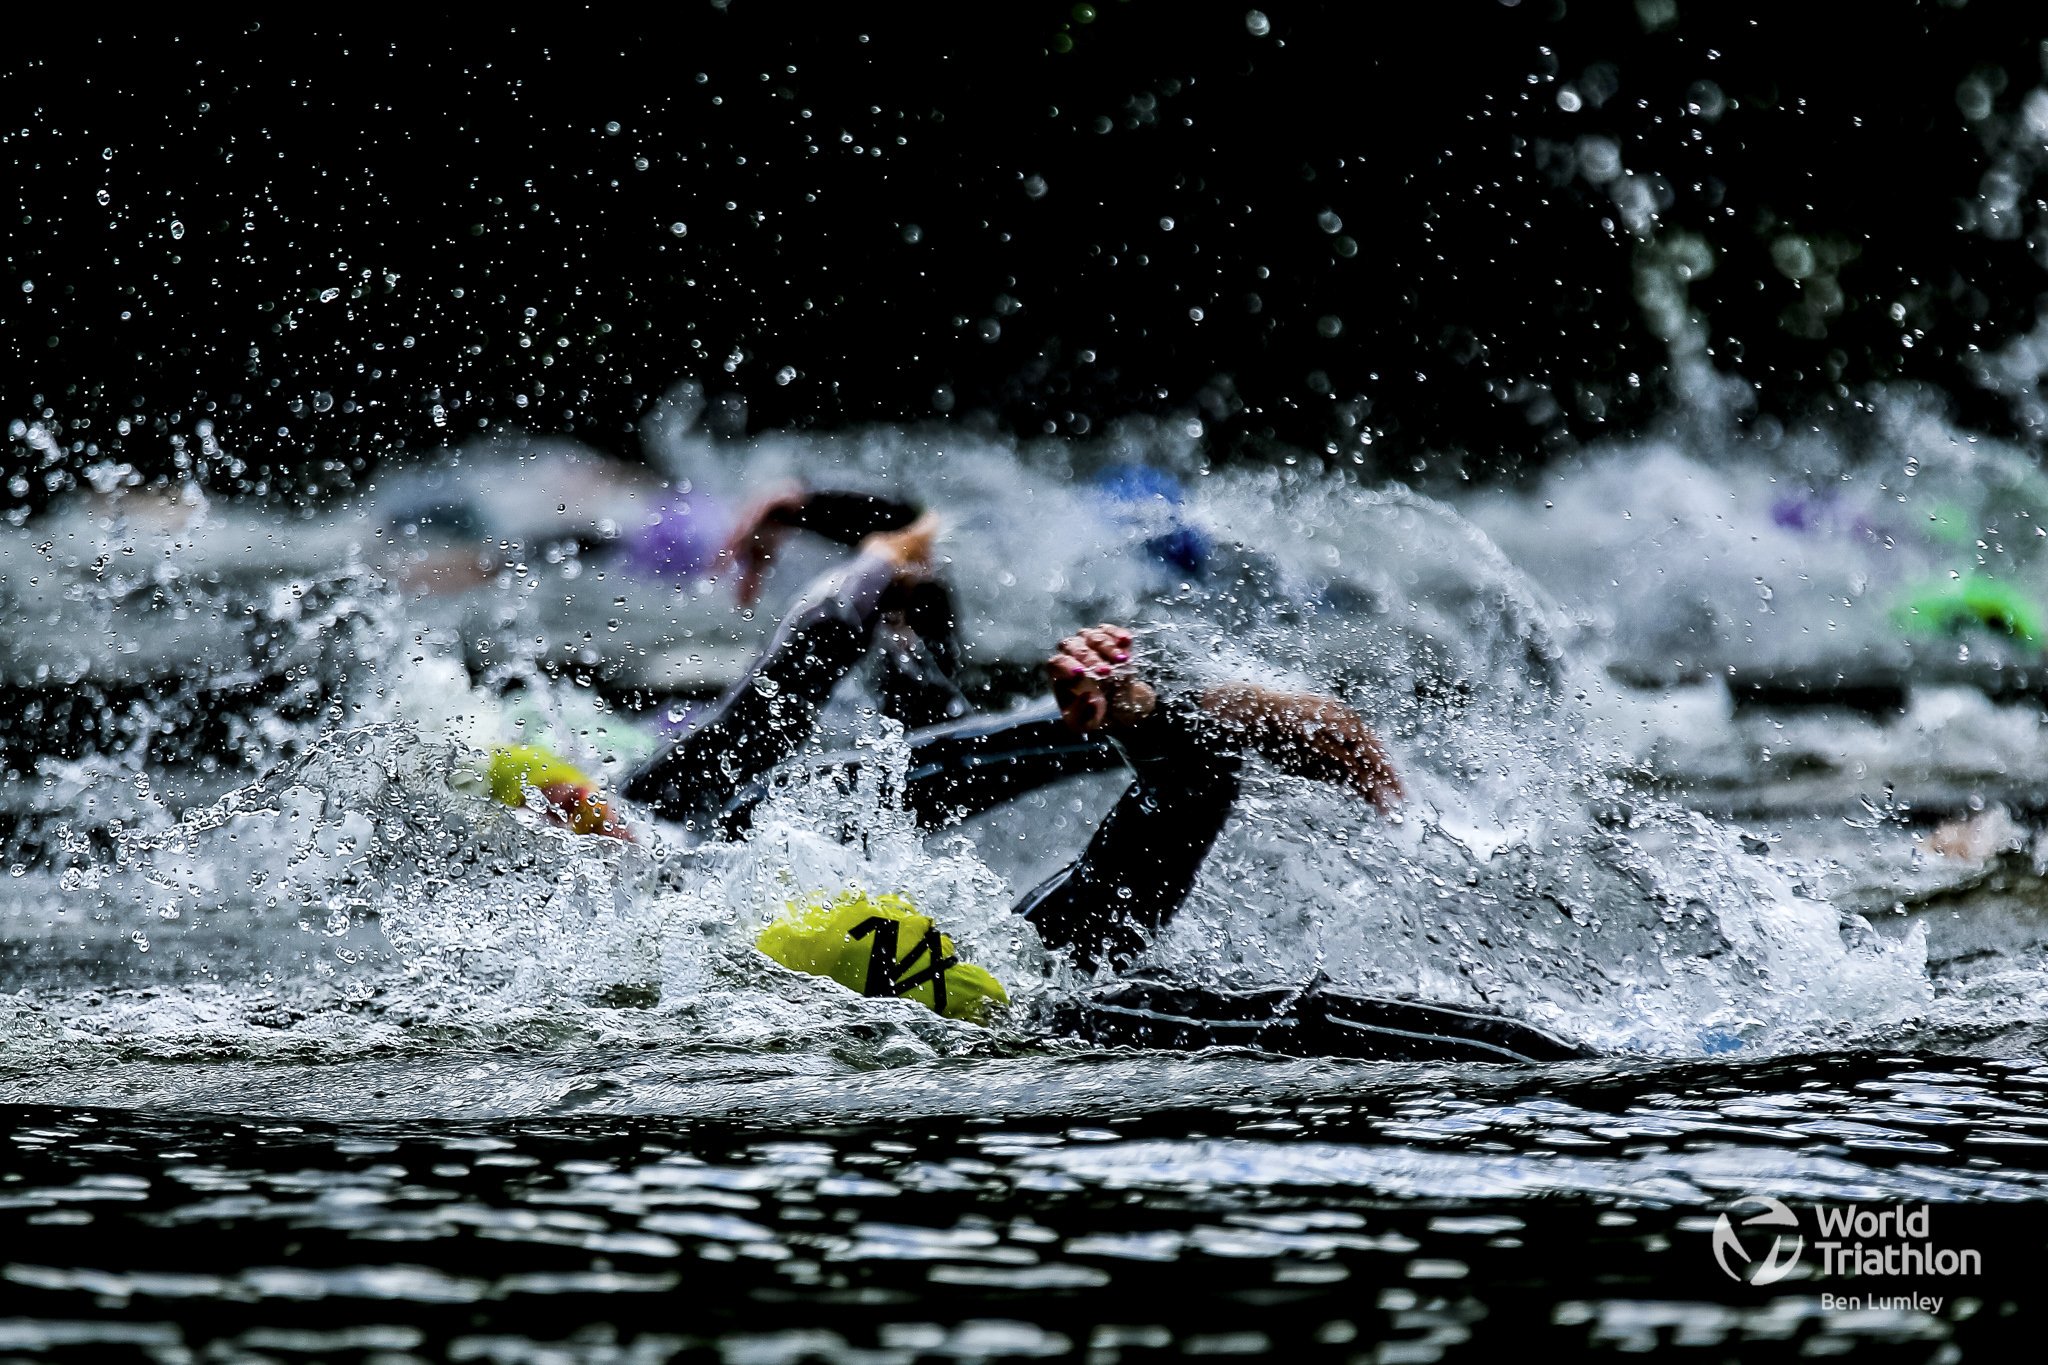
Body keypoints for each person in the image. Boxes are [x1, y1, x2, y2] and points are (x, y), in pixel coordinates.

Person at [492, 516, 1586, 1064]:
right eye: (562, 817)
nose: (587, 822)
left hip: (943, 919)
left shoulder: (706, 818)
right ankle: (1137, 707)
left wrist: (882, 554)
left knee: (894, 761)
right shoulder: (1026, 979)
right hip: (997, 992)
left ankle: (1137, 704)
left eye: (569, 802)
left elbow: (806, 654)